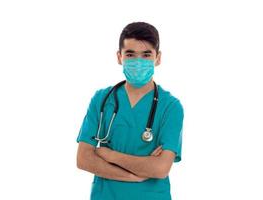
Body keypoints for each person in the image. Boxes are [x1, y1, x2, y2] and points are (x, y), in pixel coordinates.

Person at [76, 21, 184, 200]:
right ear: (119, 57)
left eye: (146, 54)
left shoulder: (171, 107)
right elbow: (83, 159)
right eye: (130, 54)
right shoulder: (102, 100)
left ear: (158, 58)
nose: (138, 61)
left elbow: (160, 168)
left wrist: (108, 154)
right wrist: (135, 175)